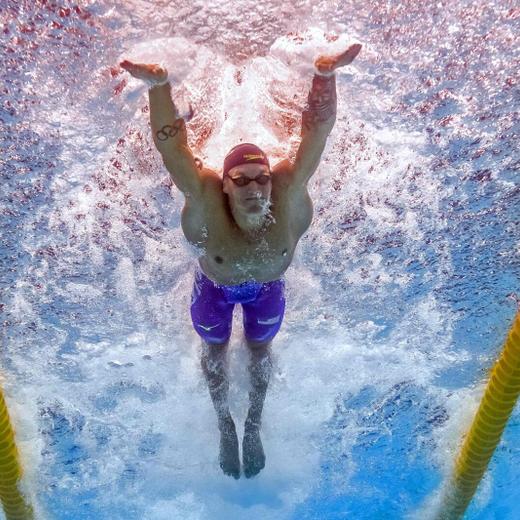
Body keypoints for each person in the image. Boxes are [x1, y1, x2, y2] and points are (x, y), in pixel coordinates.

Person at [120, 41, 361, 479]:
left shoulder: (289, 193)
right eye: (242, 179)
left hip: (267, 291)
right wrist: (160, 86)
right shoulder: (204, 199)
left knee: (259, 350)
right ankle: (222, 422)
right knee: (214, 351)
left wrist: (324, 76)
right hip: (213, 288)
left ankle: (252, 421)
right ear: (225, 185)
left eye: (261, 178)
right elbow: (172, 150)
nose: (256, 187)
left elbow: (317, 132)